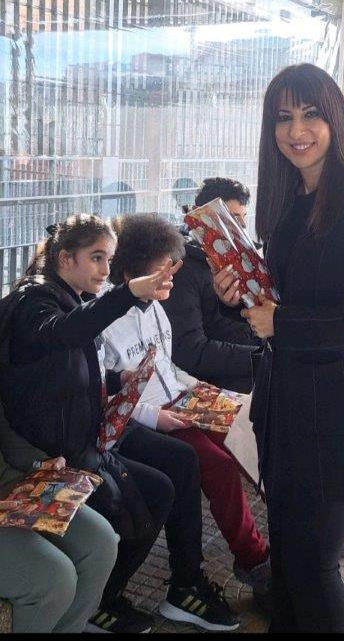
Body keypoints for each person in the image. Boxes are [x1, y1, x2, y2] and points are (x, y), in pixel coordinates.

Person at [211, 63, 344, 633]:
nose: (296, 130)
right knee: (290, 566)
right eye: (283, 117)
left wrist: (284, 322)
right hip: (289, 407)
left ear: (334, 121)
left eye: (310, 114)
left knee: (315, 568)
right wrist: (239, 299)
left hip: (338, 414)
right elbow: (283, 302)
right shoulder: (290, 201)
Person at [0, 213, 236, 633]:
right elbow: (62, 335)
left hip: (74, 446)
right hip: (58, 453)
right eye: (96, 258)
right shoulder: (34, 301)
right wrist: (128, 294)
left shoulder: (72, 298)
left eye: (108, 259)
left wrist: (114, 380)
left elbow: (62, 370)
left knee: (155, 492)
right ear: (64, 258)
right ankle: (117, 600)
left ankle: (137, 595)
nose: (105, 270)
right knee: (136, 507)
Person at [103, 213, 271, 608]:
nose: (170, 280)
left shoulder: (157, 307)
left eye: (172, 269)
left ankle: (286, 534)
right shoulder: (106, 322)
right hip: (152, 419)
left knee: (252, 426)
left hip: (180, 400)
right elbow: (109, 393)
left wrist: (200, 388)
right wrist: (156, 415)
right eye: (162, 272)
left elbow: (167, 366)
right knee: (219, 465)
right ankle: (254, 559)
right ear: (129, 273)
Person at [0, 401, 118, 634]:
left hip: (8, 483)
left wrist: (41, 462)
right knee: (52, 579)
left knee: (100, 543)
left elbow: (3, 435)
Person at [161, 176, 261, 395]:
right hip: (221, 388)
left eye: (243, 218)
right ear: (203, 219)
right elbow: (190, 351)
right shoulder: (182, 270)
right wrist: (263, 360)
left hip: (254, 369)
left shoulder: (245, 260)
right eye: (233, 218)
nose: (243, 226)